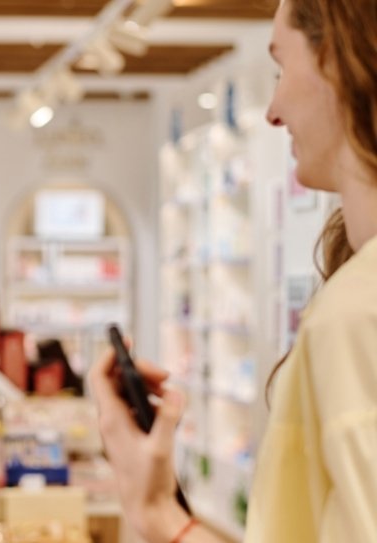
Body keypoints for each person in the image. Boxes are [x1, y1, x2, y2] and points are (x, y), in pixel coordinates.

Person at [90, 0, 377, 541]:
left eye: (280, 68)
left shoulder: (356, 313)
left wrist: (155, 512)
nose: (272, 109)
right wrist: (159, 513)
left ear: (338, 64)